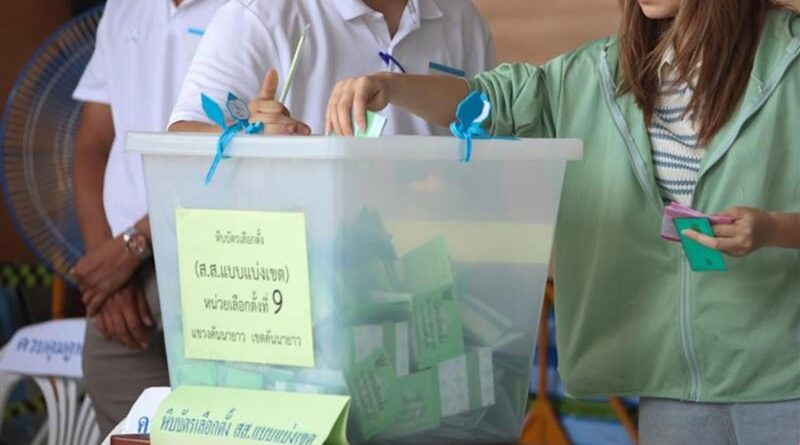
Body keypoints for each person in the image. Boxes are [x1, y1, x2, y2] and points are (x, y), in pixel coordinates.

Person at [325, 0, 800, 443]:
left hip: (785, 380)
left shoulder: (790, 59)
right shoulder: (597, 74)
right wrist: (392, 88)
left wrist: (775, 229)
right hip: (670, 390)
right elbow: (487, 100)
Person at [71, 0, 225, 436]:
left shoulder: (260, 10)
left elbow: (247, 148)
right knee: (130, 428)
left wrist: (134, 244)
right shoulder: (124, 7)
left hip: (221, 260)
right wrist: (107, 270)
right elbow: (92, 145)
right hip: (126, 278)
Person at [167, 0, 495, 135]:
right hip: (298, 254)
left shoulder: (462, 19)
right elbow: (181, 140)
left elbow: (492, 143)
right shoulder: (258, 15)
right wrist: (247, 139)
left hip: (434, 252)